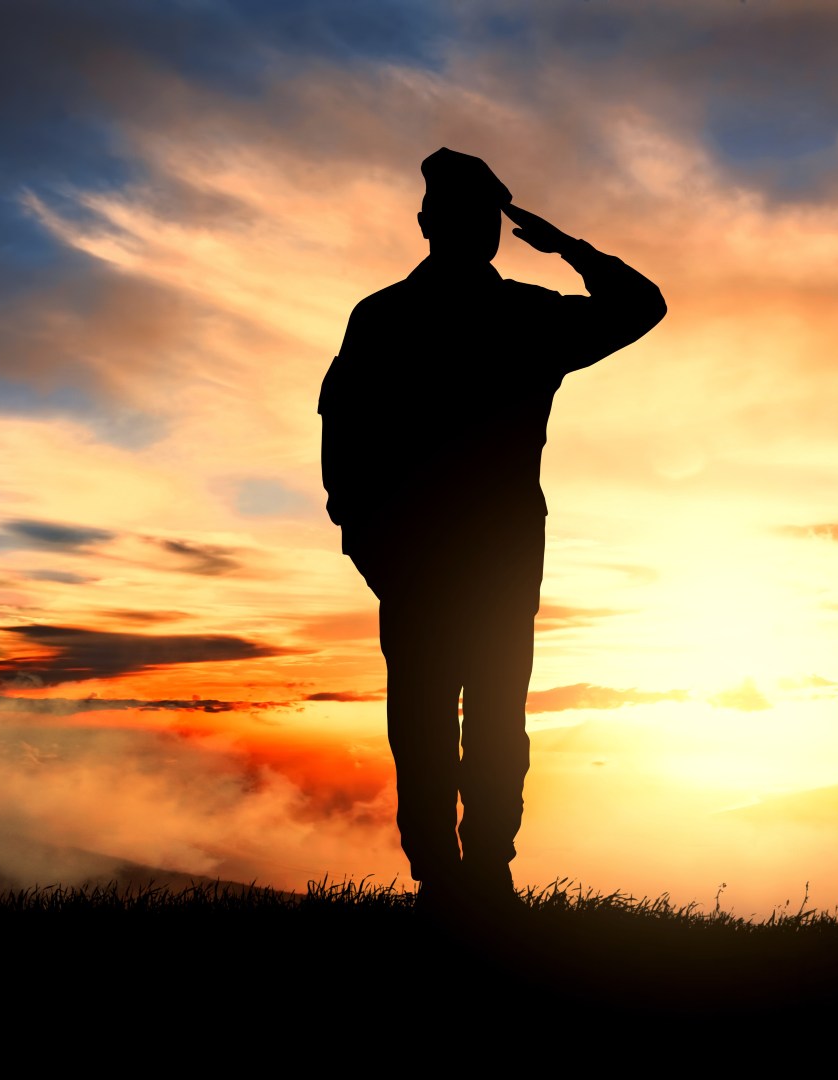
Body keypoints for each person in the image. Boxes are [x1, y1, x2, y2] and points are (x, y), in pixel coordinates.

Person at [319, 148, 666, 913]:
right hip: (476, 556)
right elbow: (640, 304)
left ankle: (453, 877)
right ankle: (475, 875)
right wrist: (567, 247)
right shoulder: (524, 317)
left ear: (427, 224)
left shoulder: (389, 316)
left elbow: (342, 438)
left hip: (435, 557)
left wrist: (365, 540)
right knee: (479, 717)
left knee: (436, 716)